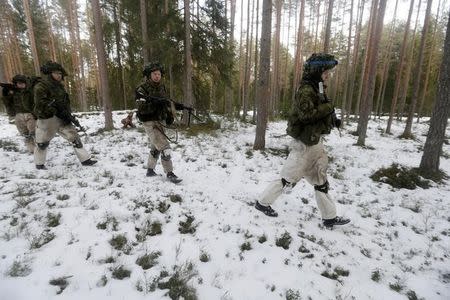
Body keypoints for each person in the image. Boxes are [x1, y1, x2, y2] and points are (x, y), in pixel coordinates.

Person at [256, 53, 350, 228]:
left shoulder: (318, 87)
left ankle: (329, 217)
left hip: (316, 143)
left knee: (321, 181)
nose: (328, 75)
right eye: (325, 72)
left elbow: (320, 110)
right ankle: (262, 203)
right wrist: (328, 107)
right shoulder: (306, 89)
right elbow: (306, 115)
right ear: (316, 71)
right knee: (287, 179)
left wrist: (332, 120)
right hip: (304, 146)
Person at [33, 61, 97, 169]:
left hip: (62, 117)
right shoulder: (41, 86)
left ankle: (85, 160)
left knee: (74, 138)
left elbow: (64, 102)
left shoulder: (59, 86)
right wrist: (55, 110)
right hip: (47, 119)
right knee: (42, 143)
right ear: (50, 73)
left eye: (60, 73)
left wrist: (66, 113)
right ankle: (39, 164)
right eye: (56, 73)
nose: (59, 75)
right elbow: (40, 103)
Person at [135, 62, 186, 183]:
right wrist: (155, 104)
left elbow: (166, 102)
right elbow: (141, 108)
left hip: (160, 120)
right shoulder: (141, 89)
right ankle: (169, 173)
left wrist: (175, 109)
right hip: (149, 122)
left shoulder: (162, 87)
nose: (157, 76)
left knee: (156, 146)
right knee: (164, 147)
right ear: (149, 75)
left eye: (159, 74)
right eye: (154, 74)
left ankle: (150, 170)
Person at [1, 74, 36, 153]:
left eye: (23, 83)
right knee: (25, 133)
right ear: (16, 84)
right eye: (19, 83)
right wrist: (6, 94)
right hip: (18, 114)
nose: (21, 85)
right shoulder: (13, 92)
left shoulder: (29, 91)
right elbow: (7, 103)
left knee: (33, 131)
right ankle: (31, 149)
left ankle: (39, 146)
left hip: (30, 114)